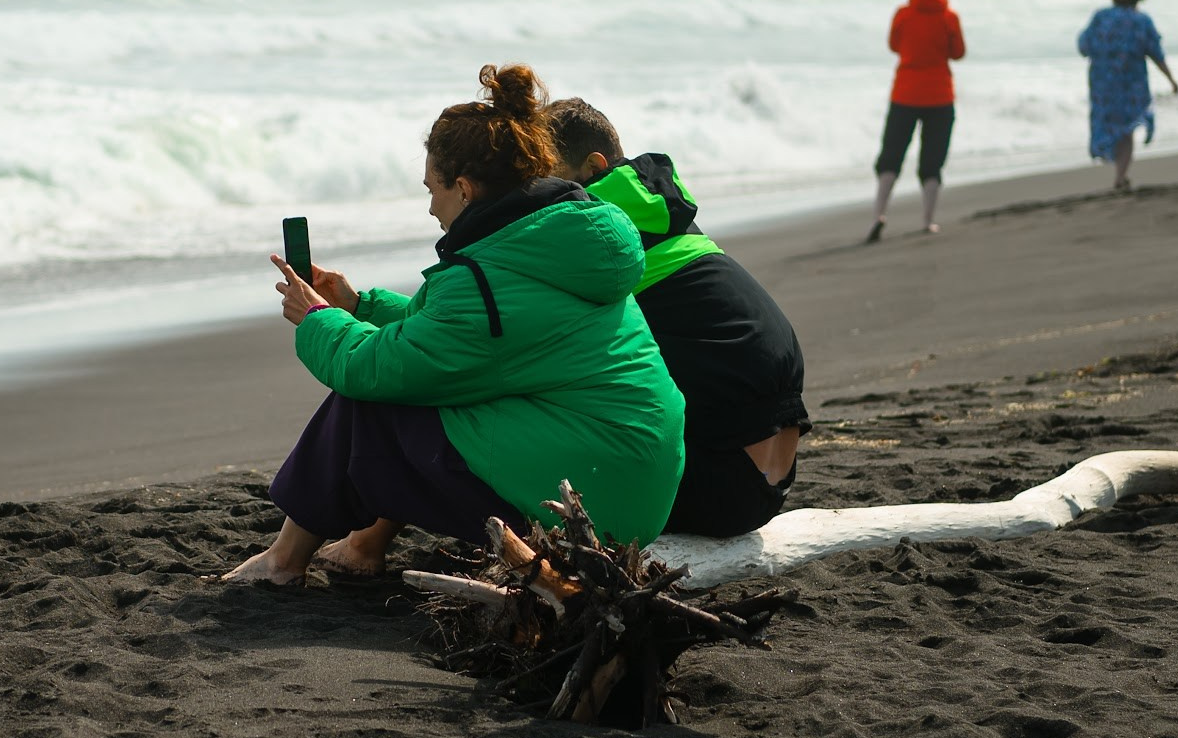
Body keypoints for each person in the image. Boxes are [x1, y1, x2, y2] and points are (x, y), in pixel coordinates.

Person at [223, 65, 685, 585]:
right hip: (630, 483)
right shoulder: (562, 238)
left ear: (464, 189)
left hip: (590, 510)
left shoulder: (486, 281)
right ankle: (360, 547)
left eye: (432, 189)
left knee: (373, 400)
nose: (429, 207)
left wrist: (315, 318)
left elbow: (372, 367)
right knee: (427, 385)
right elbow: (468, 339)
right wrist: (358, 305)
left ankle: (283, 562)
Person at [543, 98, 808, 537]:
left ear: (592, 166)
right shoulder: (657, 211)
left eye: (547, 179)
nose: (539, 196)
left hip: (726, 487)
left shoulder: (598, 232)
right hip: (773, 474)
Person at [868, 0, 966, 243]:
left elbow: (894, 45)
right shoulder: (949, 17)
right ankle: (928, 219)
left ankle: (879, 214)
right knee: (932, 160)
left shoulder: (903, 14)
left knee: (891, 155)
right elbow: (958, 52)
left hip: (905, 93)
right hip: (940, 95)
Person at [1080, 0, 1178, 189]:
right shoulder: (1141, 21)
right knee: (1127, 129)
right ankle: (1120, 175)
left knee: (1106, 122)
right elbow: (1156, 53)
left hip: (1102, 82)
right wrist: (1171, 80)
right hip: (1131, 83)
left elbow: (1083, 46)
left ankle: (1116, 170)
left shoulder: (1101, 17)